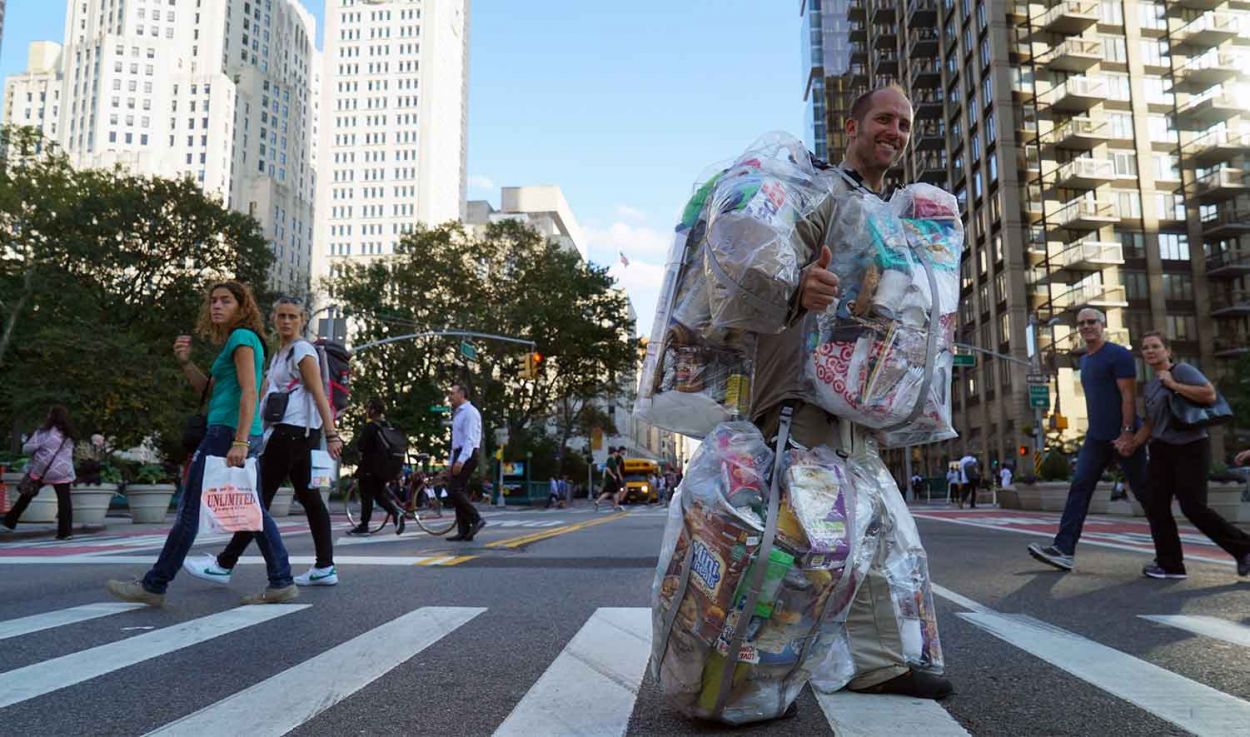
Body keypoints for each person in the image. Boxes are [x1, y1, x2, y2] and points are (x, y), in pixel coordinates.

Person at [749, 86, 951, 699]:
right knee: (808, 532)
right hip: (799, 392)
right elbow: (753, 277)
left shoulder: (892, 216)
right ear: (852, 126)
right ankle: (741, 654)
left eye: (905, 124)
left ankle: (874, 661)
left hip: (854, 397)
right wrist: (798, 286)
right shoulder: (818, 193)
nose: (895, 131)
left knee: (860, 528)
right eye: (883, 119)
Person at [107, 281, 295, 606]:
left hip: (227, 434)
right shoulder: (236, 342)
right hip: (230, 430)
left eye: (225, 301)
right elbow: (209, 390)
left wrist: (238, 440)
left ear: (241, 306)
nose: (216, 306)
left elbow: (252, 391)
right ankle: (281, 580)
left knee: (190, 511)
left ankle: (155, 584)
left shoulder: (242, 338)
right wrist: (185, 362)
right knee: (253, 510)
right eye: (213, 301)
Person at [183, 296, 345, 588]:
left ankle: (224, 564)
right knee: (309, 500)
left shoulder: (301, 350)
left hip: (292, 433)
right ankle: (325, 566)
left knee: (256, 499)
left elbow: (319, 393)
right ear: (273, 319)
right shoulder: (280, 353)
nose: (286, 321)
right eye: (281, 316)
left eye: (292, 317)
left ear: (302, 319)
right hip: (296, 435)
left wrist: (331, 434)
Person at [1028, 307, 1155, 572]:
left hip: (1123, 436)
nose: (1086, 327)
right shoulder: (1085, 360)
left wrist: (1128, 433)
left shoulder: (1118, 355)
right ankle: (1063, 550)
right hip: (1096, 437)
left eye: (1091, 322)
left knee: (1145, 493)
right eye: (1081, 323)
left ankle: (1168, 553)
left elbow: (1129, 397)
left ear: (1102, 324)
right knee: (1080, 487)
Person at [1119, 331, 1250, 579]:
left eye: (1155, 346)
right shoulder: (1149, 387)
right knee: (1156, 506)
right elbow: (1151, 423)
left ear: (1167, 351)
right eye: (1145, 348)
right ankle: (1171, 565)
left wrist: (1173, 384)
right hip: (1160, 450)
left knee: (1193, 507)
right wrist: (1133, 443)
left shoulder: (1182, 371)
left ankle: (1244, 549)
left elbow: (1209, 394)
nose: (1150, 351)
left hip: (1190, 447)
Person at [3, 406, 76, 539]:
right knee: (64, 501)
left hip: (42, 469)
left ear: (51, 416)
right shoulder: (68, 434)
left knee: (26, 494)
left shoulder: (44, 432)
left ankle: (10, 522)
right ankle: (65, 532)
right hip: (63, 471)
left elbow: (27, 449)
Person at [350, 398, 405, 536]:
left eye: (368, 408)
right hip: (384, 468)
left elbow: (361, 446)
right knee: (379, 495)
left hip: (370, 467)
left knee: (366, 496)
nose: (366, 411)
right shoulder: (387, 425)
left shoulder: (371, 427)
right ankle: (396, 512)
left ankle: (364, 526)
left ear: (373, 410)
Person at [446, 382, 485, 541]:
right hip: (459, 453)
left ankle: (476, 519)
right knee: (457, 490)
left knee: (454, 490)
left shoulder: (470, 412)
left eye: (453, 393)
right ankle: (464, 530)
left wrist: (461, 460)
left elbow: (470, 440)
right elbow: (455, 442)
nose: (450, 397)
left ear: (462, 394)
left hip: (467, 454)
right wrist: (451, 462)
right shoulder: (458, 413)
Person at [594, 447, 624, 511]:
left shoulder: (613, 459)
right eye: (616, 452)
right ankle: (615, 505)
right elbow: (607, 468)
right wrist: (613, 476)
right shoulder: (610, 459)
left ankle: (598, 501)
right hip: (611, 479)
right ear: (614, 452)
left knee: (609, 492)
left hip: (611, 479)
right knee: (615, 492)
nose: (617, 453)